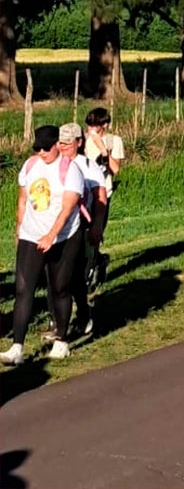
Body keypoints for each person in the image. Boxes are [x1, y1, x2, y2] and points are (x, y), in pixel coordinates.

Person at [2, 126, 85, 365]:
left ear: (57, 146)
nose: (41, 152)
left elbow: (69, 207)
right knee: (23, 289)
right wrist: (19, 229)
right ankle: (17, 347)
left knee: (60, 287)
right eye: (36, 148)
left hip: (64, 237)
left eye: (45, 148)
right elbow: (22, 199)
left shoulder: (71, 170)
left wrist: (52, 234)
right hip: (32, 234)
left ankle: (61, 339)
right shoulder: (30, 166)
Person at [57, 123, 107, 339]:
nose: (63, 147)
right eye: (60, 143)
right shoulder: (54, 163)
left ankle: (83, 316)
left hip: (82, 226)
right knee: (55, 276)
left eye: (68, 143)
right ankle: (57, 320)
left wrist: (96, 225)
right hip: (57, 226)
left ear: (79, 142)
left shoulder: (88, 166)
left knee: (75, 276)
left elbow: (100, 197)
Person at [82, 106, 123, 287]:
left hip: (102, 194)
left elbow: (115, 169)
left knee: (94, 234)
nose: (91, 128)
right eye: (89, 124)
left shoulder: (114, 141)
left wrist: (104, 151)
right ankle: (93, 263)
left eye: (95, 125)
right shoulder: (81, 139)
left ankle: (90, 271)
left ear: (105, 125)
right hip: (82, 194)